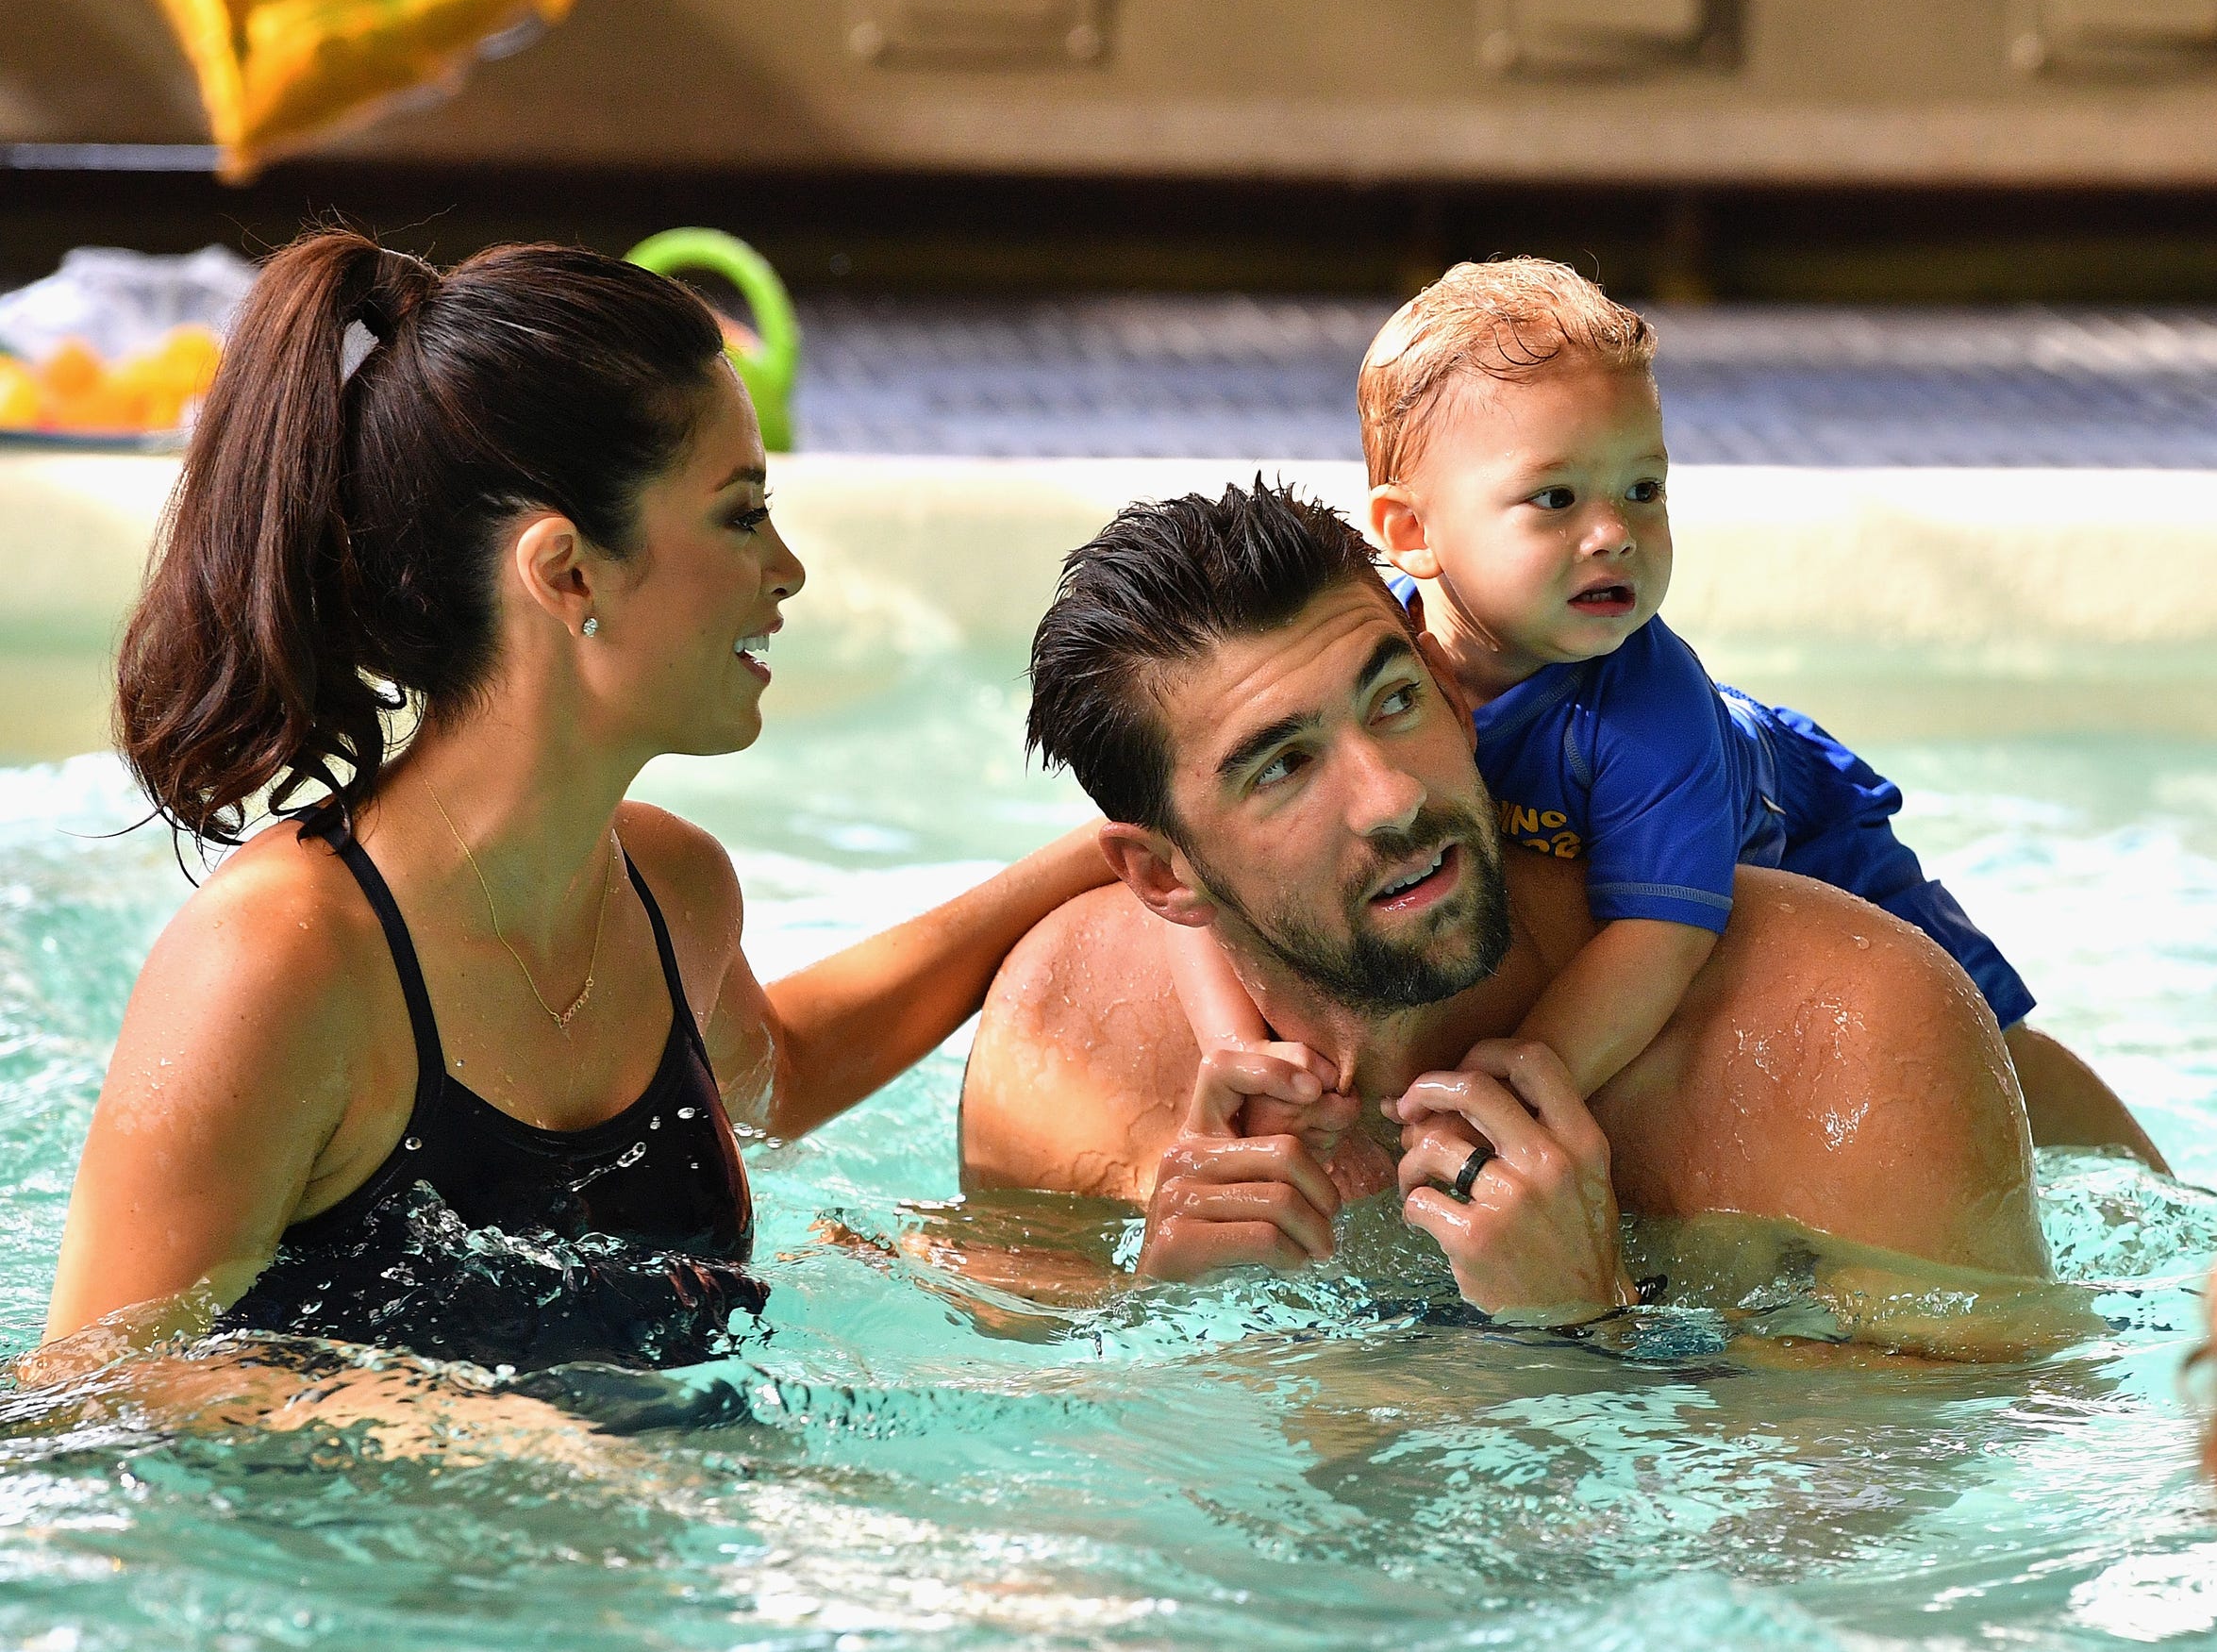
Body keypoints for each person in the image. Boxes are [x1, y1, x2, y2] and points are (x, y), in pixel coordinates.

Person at [41, 230, 1109, 1375]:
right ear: (566, 574)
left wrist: (1095, 858)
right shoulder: (279, 961)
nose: (787, 568)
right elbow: (94, 1381)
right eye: (741, 513)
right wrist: (460, 1429)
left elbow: (778, 1073)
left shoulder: (675, 889)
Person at [961, 481, 2079, 1348]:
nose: (1394, 798)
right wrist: (1162, 1321)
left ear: (1453, 697)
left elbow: (1924, 1514)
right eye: (1284, 768)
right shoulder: (1069, 1035)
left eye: (1395, 704)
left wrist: (1590, 1328)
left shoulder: (1842, 1033)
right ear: (1161, 877)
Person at [1166, 259, 2164, 1171]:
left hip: (1804, 833)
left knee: (1989, 1040)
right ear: (1411, 531)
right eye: (1554, 499)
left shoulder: (1648, 712)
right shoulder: (1361, 653)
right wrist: (1241, 1050)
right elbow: (1188, 849)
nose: (1614, 535)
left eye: (1643, 489)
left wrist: (1516, 1082)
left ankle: (2153, 1185)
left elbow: (1657, 938)